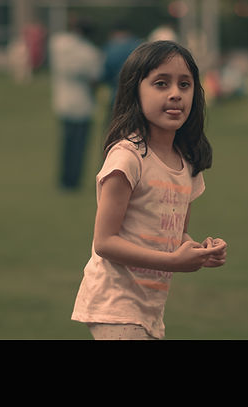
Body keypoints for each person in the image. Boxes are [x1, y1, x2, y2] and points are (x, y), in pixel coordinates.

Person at [71, 40, 227, 340]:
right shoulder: (127, 158)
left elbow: (175, 235)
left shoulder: (187, 164)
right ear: (135, 91)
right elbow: (104, 242)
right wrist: (173, 262)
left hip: (150, 310)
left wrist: (199, 252)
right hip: (115, 306)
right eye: (161, 83)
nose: (175, 93)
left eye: (185, 84)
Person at [49, 19, 103, 191]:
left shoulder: (58, 43)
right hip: (83, 104)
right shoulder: (90, 52)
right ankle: (74, 180)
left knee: (66, 144)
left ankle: (64, 180)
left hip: (63, 101)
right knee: (79, 146)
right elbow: (95, 79)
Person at [101, 23, 141, 123]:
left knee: (115, 123)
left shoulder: (110, 47)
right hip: (136, 93)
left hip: (116, 92)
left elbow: (105, 73)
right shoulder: (138, 46)